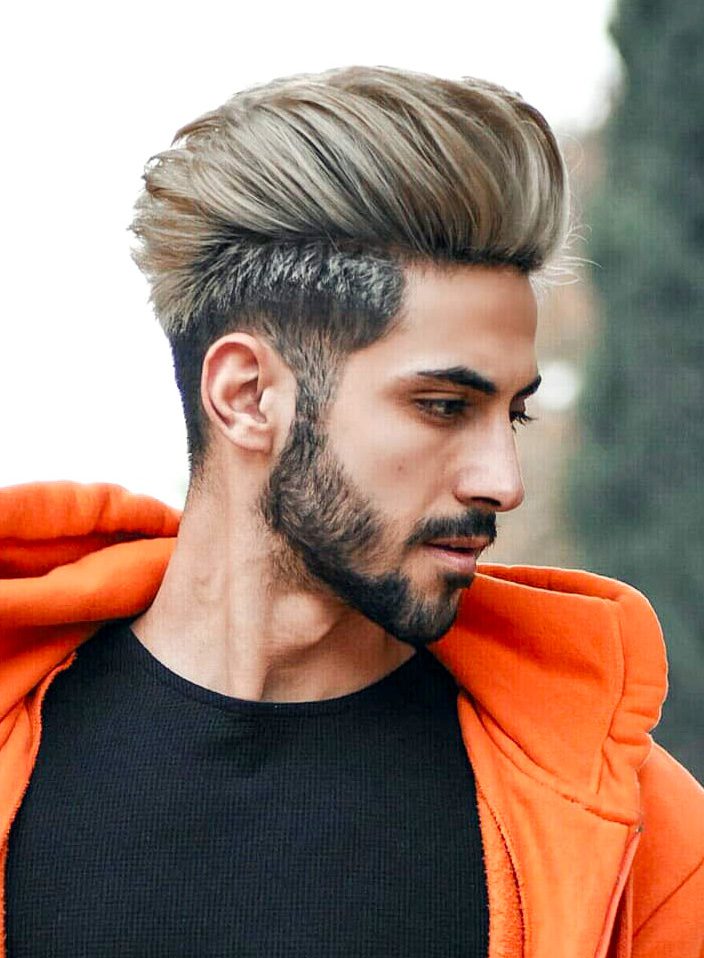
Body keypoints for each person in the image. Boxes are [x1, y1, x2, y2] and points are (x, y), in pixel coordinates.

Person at [0, 65, 702, 958]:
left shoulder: (638, 836)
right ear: (249, 396)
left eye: (513, 414)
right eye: (445, 406)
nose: (503, 480)